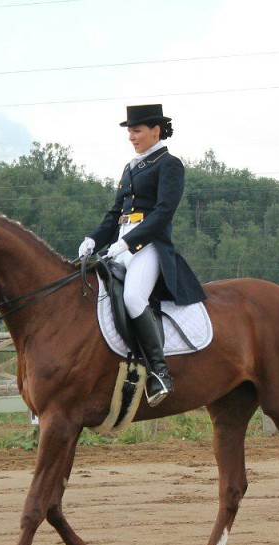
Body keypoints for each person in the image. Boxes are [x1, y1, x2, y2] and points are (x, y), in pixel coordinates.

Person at [78, 104, 206, 407]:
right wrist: (93, 239)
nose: (131, 137)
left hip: (148, 246)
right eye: (130, 132)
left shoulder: (169, 164)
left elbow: (163, 213)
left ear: (155, 131)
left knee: (134, 298)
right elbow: (114, 215)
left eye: (136, 131)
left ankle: (159, 372)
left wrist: (129, 242)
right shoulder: (131, 167)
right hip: (120, 245)